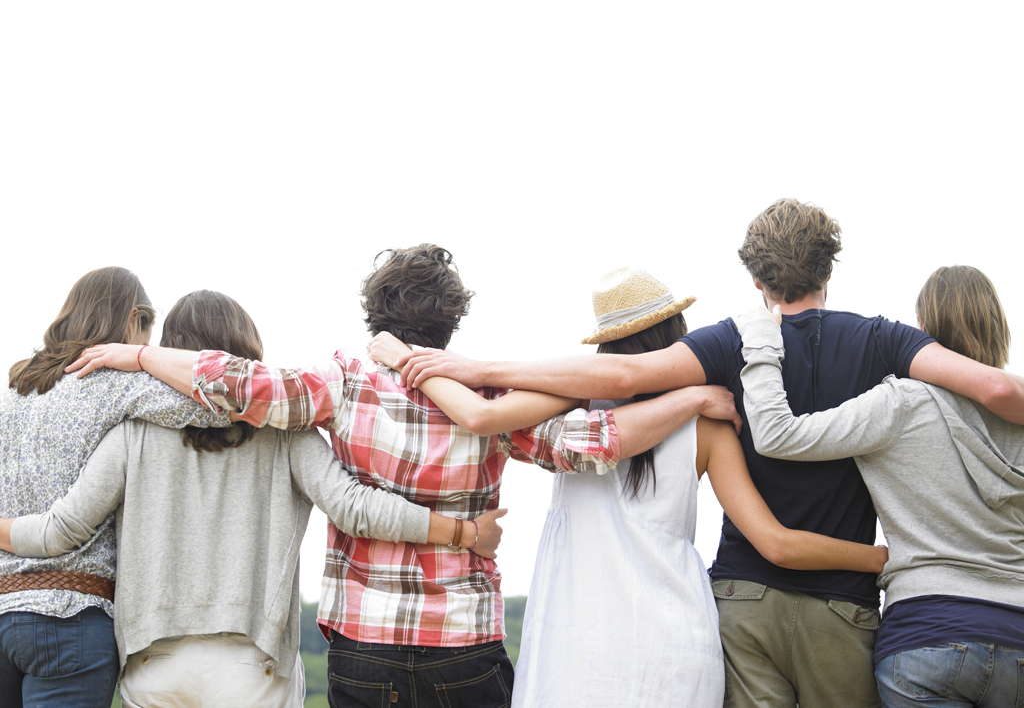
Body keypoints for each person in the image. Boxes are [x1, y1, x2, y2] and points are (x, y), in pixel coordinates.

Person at [388, 202, 1024, 707]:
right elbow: (994, 387)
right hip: (817, 610)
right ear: (830, 268)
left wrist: (466, 364)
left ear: (755, 278)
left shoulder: (714, 350)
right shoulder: (881, 343)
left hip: (688, 618)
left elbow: (615, 382)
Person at [66, 245, 742, 707]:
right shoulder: (498, 405)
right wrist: (689, 397)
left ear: (375, 318)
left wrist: (140, 356)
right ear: (452, 320)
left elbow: (238, 382)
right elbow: (597, 441)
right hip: (464, 645)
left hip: (366, 647)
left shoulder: (342, 384)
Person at [368, 266, 890, 707]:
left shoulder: (569, 410)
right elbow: (774, 542)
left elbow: (480, 414)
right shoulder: (705, 420)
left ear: (606, 347)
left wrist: (401, 356)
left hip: (571, 646)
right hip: (674, 646)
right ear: (676, 334)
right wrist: (881, 558)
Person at [0, 290, 507, 707]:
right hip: (252, 666)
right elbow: (355, 506)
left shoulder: (132, 433)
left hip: (152, 664)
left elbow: (59, 530)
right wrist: (463, 532)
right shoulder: (285, 433)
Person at [737, 265, 1024, 708]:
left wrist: (760, 340)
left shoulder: (901, 403)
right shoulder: (1019, 416)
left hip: (926, 635)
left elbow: (778, 434)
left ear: (924, 330)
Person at [0, 267, 231, 708]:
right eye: (148, 333)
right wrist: (142, 361)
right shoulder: (117, 384)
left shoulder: (16, 388)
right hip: (70, 620)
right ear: (132, 319)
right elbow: (224, 402)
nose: (148, 345)